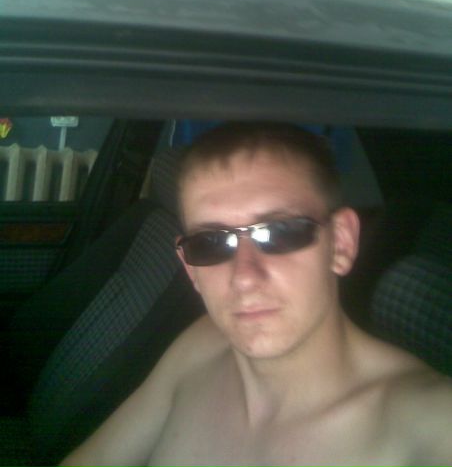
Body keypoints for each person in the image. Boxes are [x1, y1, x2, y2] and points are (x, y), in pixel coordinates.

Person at [60, 122, 452, 467]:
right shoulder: (199, 346)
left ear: (341, 243)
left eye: (280, 232)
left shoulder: (431, 427)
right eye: (211, 243)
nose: (245, 277)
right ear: (191, 268)